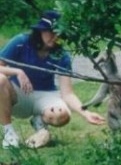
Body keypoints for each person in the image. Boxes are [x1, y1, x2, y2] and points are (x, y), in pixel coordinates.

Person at [0, 10, 105, 149]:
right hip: (19, 95)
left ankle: (40, 121)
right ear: (40, 31)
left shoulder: (62, 54)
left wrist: (86, 114)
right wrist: (17, 71)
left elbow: (67, 93)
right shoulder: (20, 42)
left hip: (46, 95)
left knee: (63, 115)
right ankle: (9, 133)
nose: (55, 37)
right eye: (51, 32)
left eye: (58, 33)